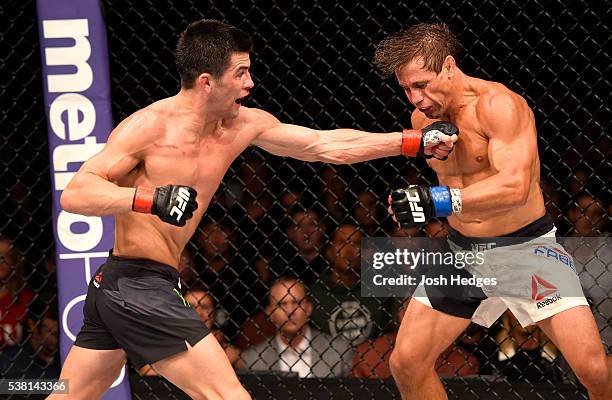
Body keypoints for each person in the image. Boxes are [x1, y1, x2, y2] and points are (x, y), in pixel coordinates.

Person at [53, 19, 457, 399]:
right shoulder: (148, 128)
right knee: (229, 395)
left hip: (121, 284)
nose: (251, 83)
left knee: (71, 394)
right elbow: (76, 194)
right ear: (207, 82)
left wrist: (412, 141)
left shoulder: (243, 125)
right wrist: (149, 199)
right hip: (139, 286)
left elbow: (324, 146)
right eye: (241, 73)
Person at [379, 22, 610, 399]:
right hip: (462, 253)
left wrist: (437, 201)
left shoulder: (498, 105)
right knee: (406, 362)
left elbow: (515, 187)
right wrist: (413, 202)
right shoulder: (423, 120)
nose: (415, 98)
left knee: (594, 369)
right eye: (406, 88)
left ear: (449, 65)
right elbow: (460, 186)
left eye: (421, 84)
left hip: (526, 250)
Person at [241, 276, 352, 377]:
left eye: (296, 303)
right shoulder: (253, 360)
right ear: (270, 312)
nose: (290, 311)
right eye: (281, 304)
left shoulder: (339, 351)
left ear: (308, 308)